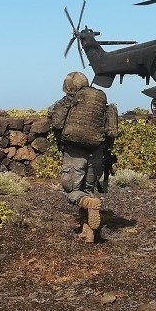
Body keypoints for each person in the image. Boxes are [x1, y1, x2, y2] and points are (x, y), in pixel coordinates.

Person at [48, 71, 118, 244]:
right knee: (88, 190)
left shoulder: (69, 101)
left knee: (72, 191)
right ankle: (89, 234)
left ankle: (87, 203)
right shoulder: (101, 101)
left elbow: (56, 122)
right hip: (97, 150)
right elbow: (111, 132)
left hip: (75, 150)